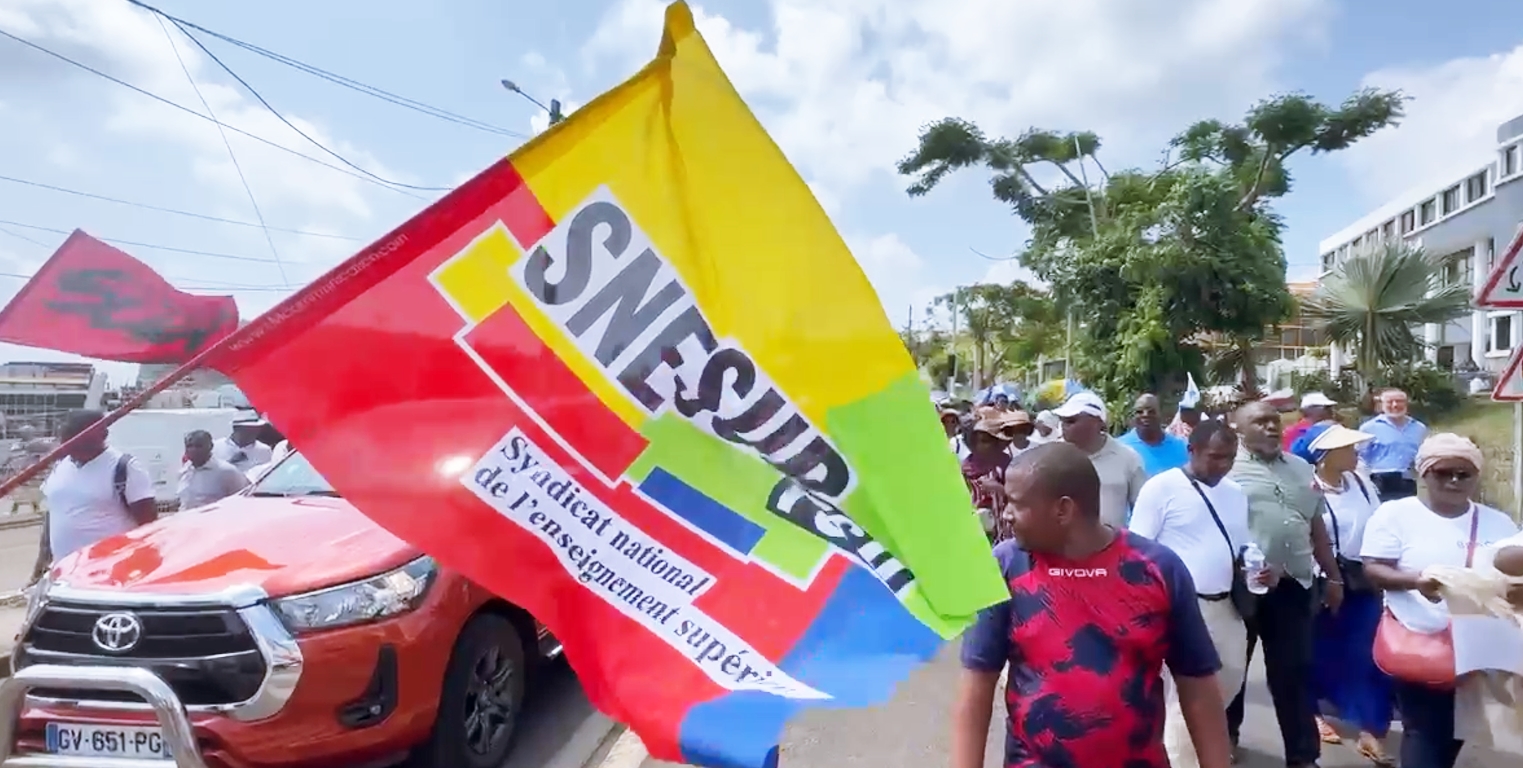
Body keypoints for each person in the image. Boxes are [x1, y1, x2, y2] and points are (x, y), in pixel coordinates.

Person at [953, 442, 1232, 768]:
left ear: (1063, 510)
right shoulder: (1006, 566)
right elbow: (977, 684)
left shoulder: (1157, 568)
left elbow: (1197, 684)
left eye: (1016, 503)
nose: (1006, 514)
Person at [1359, 433, 1518, 768]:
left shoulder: (1498, 523)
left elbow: (1510, 577)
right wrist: (1416, 582)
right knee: (1425, 733)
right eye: (1443, 472)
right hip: (1423, 643)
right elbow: (1373, 568)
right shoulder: (1396, 514)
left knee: (1454, 734)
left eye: (1464, 473)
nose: (1454, 481)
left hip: (1479, 652)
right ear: (1424, 474)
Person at [1129, 420, 1273, 768]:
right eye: (1215, 457)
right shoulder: (1161, 488)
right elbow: (1137, 554)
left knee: (1229, 680)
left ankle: (1192, 750)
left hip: (1228, 606)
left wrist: (1260, 569)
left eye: (1230, 458)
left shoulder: (1235, 493)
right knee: (1188, 696)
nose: (1223, 466)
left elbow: (1241, 547)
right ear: (1191, 450)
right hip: (1182, 609)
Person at [1225, 401, 1342, 768]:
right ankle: (1225, 739)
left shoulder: (1301, 468)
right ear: (1238, 429)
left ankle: (1303, 756)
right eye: (1260, 422)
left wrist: (1333, 575)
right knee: (1234, 669)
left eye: (1274, 421)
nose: (1271, 427)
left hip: (1294, 585)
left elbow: (1316, 526)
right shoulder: (1225, 469)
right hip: (1241, 586)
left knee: (1294, 672)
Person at [1290, 423, 1393, 766]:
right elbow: (1303, 535)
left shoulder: (1361, 482)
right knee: (1317, 652)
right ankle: (1313, 713)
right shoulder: (1307, 487)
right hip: (1322, 582)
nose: (1354, 453)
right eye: (1346, 448)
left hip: (1362, 580)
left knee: (1369, 653)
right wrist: (1327, 578)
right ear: (1325, 456)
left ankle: (1371, 728)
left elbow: (1379, 523)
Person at [31, 409, 156, 579]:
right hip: (64, 573)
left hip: (109, 574)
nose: (70, 444)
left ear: (102, 435)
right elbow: (53, 515)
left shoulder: (124, 468)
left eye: (79, 438)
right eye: (67, 438)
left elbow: (149, 526)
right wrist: (41, 565)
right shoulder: (60, 465)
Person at [1055, 391, 1147, 528]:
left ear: (1097, 422)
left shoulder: (1128, 458)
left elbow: (1143, 510)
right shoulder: (1053, 457)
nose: (1064, 426)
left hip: (1113, 540)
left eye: (1071, 421)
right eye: (1062, 421)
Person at [1358, 389, 1427, 500]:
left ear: (1406, 403)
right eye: (1390, 402)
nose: (1395, 405)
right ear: (1382, 405)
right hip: (1378, 480)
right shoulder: (1368, 428)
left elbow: (1423, 456)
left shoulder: (1419, 428)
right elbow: (1359, 458)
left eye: (1399, 401)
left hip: (1407, 481)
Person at [963, 416, 1015, 541]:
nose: (989, 445)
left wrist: (999, 489)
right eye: (984, 441)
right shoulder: (965, 469)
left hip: (1004, 530)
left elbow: (1020, 497)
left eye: (992, 441)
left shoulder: (1006, 465)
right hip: (976, 531)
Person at [1119, 393, 1190, 477]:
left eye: (1151, 411)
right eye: (1139, 412)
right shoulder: (1120, 447)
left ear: (1161, 414)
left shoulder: (1182, 447)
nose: (1145, 415)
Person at [178, 430, 250, 510]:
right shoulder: (185, 471)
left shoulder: (226, 471)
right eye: (189, 446)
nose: (193, 450)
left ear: (211, 446)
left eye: (198, 446)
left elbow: (242, 500)